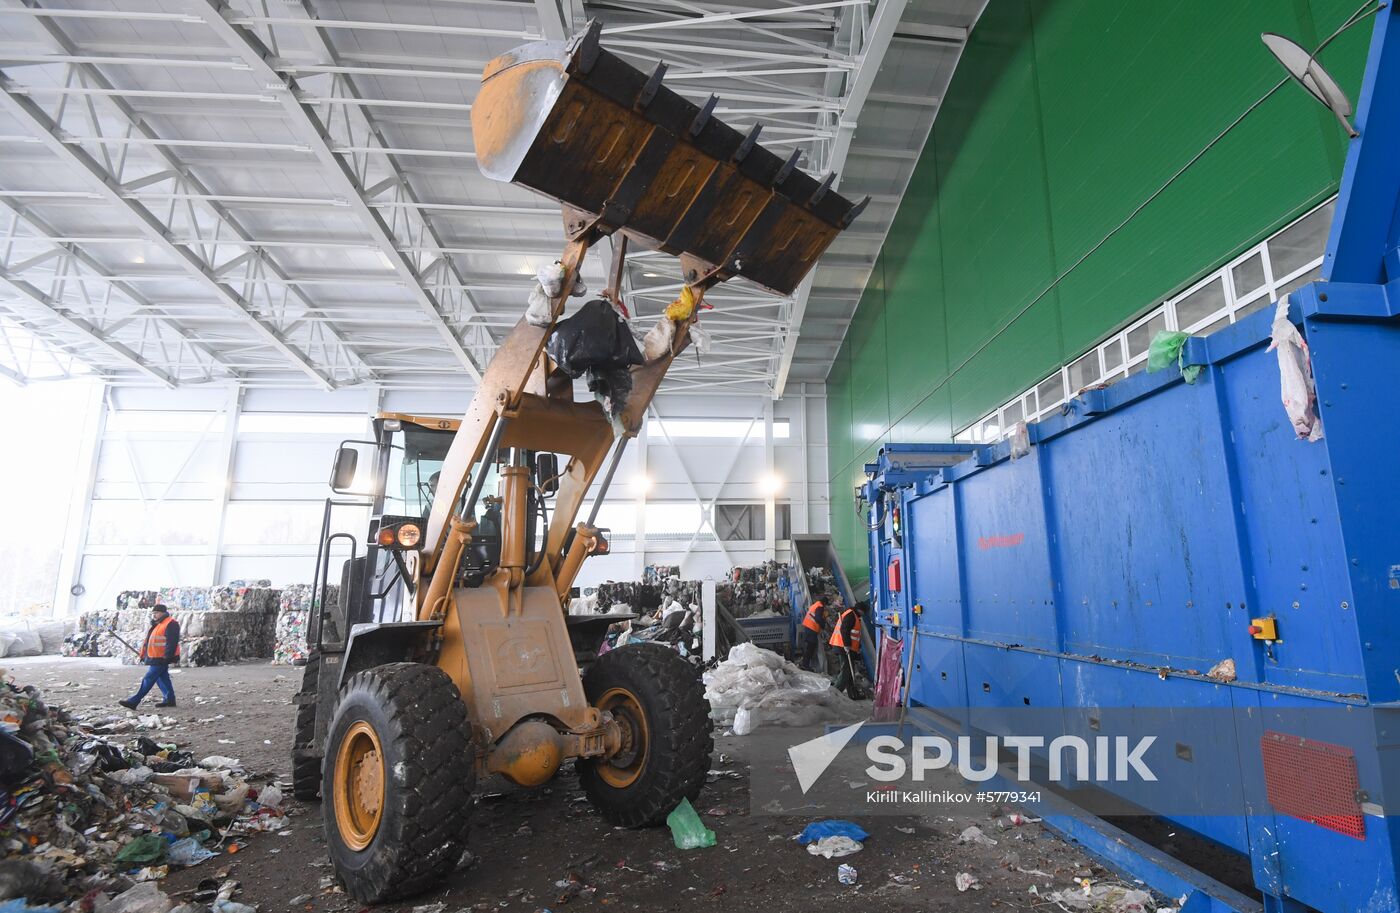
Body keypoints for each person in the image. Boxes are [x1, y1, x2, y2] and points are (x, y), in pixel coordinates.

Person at [119, 605, 180, 709]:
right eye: (153, 613)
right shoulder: (157, 624)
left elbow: (172, 642)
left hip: (162, 658)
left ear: (162, 613)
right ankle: (169, 699)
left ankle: (134, 701)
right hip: (155, 657)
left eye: (156, 613)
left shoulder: (171, 623)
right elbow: (149, 642)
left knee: (149, 678)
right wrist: (144, 655)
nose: (154, 615)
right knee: (162, 678)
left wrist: (167, 657)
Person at [829, 600, 866, 699]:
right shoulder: (851, 615)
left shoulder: (854, 615)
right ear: (860, 610)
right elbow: (844, 630)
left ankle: (853, 694)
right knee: (845, 671)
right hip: (843, 646)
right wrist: (847, 645)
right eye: (863, 612)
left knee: (849, 671)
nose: (863, 614)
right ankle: (834, 693)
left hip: (845, 647)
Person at [797, 598, 829, 671]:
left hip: (808, 627)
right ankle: (805, 665)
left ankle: (805, 664)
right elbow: (818, 618)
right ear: (824, 603)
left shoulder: (815, 604)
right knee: (810, 648)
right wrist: (823, 625)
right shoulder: (820, 607)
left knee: (809, 647)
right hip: (812, 629)